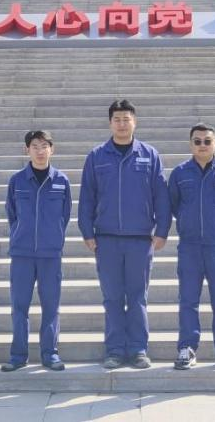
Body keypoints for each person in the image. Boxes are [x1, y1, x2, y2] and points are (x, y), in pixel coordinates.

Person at [78, 99, 171, 369]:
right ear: (110, 123)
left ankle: (139, 349)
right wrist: (87, 232)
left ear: (134, 122)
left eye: (126, 119)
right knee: (113, 298)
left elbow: (161, 195)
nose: (121, 124)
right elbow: (87, 197)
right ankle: (115, 350)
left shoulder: (150, 155)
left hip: (140, 239)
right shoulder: (97, 156)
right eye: (117, 119)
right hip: (106, 239)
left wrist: (162, 230)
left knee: (138, 296)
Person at [168, 123, 215, 371]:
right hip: (189, 247)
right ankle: (187, 349)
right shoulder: (180, 173)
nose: (202, 145)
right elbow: (173, 204)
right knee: (188, 300)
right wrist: (187, 221)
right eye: (197, 141)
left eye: (207, 141)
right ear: (191, 144)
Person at [1, 130, 71, 372]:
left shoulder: (61, 181)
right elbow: (12, 214)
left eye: (44, 146)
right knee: (19, 307)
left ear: (52, 149)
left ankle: (50, 354)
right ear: (27, 150)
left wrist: (54, 238)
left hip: (50, 254)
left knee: (51, 307)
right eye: (35, 146)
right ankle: (18, 355)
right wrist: (20, 235)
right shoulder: (17, 181)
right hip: (22, 254)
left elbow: (65, 216)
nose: (40, 151)